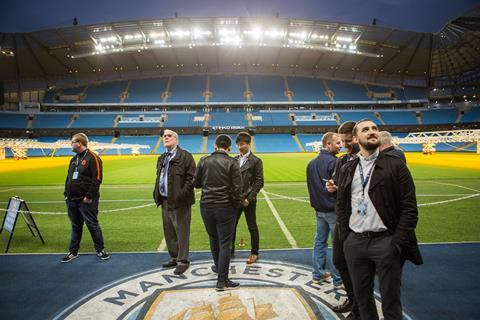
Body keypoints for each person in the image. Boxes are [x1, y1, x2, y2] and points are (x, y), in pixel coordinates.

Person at [335, 119, 423, 320]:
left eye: (374, 128)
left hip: (386, 242)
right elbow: (341, 205)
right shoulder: (348, 168)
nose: (372, 131)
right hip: (355, 242)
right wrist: (346, 237)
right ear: (356, 138)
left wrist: (396, 243)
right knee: (363, 300)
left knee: (391, 301)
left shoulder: (396, 165)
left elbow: (409, 208)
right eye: (366, 129)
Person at [194, 134, 243, 291]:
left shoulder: (203, 160)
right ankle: (222, 280)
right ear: (229, 148)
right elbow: (237, 188)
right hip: (225, 207)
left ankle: (218, 267)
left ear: (215, 146)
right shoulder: (232, 162)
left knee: (214, 239)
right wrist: (235, 206)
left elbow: (196, 184)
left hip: (206, 206)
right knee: (225, 243)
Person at [326, 121, 361, 319]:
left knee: (357, 266)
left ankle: (359, 308)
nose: (345, 145)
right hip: (343, 219)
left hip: (360, 221)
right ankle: (353, 298)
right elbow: (337, 187)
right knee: (339, 260)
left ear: (356, 138)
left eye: (348, 142)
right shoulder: (341, 161)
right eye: (342, 142)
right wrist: (332, 188)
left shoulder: (366, 161)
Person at [153, 129, 196, 275]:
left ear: (176, 140)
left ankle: (183, 261)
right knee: (169, 230)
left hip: (180, 202)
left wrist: (181, 195)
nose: (165, 137)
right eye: (164, 136)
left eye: (169, 136)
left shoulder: (185, 156)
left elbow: (192, 179)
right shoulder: (162, 157)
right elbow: (159, 177)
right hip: (165, 200)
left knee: (181, 231)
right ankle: (174, 256)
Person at [62, 133, 109, 262]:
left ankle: (100, 250)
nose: (70, 144)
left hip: (86, 200)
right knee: (75, 226)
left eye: (72, 142)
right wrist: (66, 194)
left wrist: (89, 196)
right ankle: (73, 252)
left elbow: (97, 178)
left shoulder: (93, 157)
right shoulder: (73, 160)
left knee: (92, 224)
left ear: (79, 143)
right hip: (72, 200)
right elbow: (68, 178)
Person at [306, 132, 342, 286]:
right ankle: (338, 278)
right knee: (337, 245)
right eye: (337, 143)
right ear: (328, 144)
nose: (340, 145)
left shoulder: (311, 163)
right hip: (332, 210)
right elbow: (336, 188)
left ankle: (318, 273)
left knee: (320, 241)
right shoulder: (335, 162)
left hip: (318, 210)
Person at [231, 132, 264, 264]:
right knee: (231, 226)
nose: (239, 147)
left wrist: (248, 198)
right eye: (238, 144)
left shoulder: (256, 161)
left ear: (249, 144)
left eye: (242, 144)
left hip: (248, 200)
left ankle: (254, 253)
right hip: (235, 200)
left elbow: (259, 182)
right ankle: (229, 250)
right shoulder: (233, 159)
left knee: (252, 227)